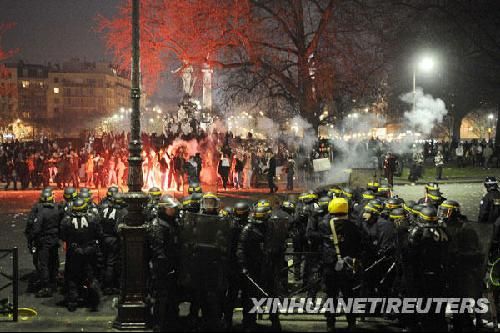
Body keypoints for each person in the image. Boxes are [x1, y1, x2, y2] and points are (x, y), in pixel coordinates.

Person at [318, 198, 361, 332]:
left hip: (330, 266)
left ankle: (330, 324)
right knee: (349, 295)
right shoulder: (353, 226)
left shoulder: (324, 224)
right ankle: (352, 323)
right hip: (347, 267)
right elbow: (359, 243)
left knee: (331, 295)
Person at [237, 203, 280, 331]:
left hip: (266, 267)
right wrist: (243, 266)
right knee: (250, 298)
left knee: (271, 296)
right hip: (253, 269)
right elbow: (241, 249)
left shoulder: (271, 227)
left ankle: (274, 321)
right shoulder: (248, 229)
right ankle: (249, 323)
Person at [407, 206, 449, 331]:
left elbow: (411, 253)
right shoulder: (443, 231)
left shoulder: (417, 233)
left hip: (423, 274)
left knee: (424, 305)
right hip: (440, 273)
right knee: (438, 305)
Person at [60, 198, 102, 312]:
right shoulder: (93, 218)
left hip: (74, 252)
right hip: (89, 251)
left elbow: (63, 236)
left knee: (72, 277)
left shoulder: (66, 220)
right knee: (91, 276)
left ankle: (73, 302)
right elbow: (99, 234)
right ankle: (93, 302)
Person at [146, 195, 181, 332]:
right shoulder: (157, 225)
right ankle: (158, 325)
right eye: (170, 208)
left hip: (172, 266)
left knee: (173, 297)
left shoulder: (172, 222)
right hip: (162, 269)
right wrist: (164, 268)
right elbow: (158, 250)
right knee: (161, 298)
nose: (173, 210)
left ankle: (171, 322)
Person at [31, 190, 64, 297]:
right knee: (54, 261)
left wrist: (32, 239)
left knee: (44, 264)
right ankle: (54, 281)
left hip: (44, 241)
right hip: (54, 240)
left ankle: (46, 286)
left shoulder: (41, 212)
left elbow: (36, 229)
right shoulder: (57, 209)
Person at [224, 201, 250, 330]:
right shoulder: (249, 227)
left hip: (233, 266)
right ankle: (247, 323)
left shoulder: (229, 226)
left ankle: (227, 321)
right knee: (246, 297)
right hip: (245, 267)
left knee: (231, 297)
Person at [100, 194, 127, 295]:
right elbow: (118, 229)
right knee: (112, 263)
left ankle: (104, 284)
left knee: (104, 262)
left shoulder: (104, 209)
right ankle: (110, 286)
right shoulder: (122, 212)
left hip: (104, 239)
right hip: (114, 240)